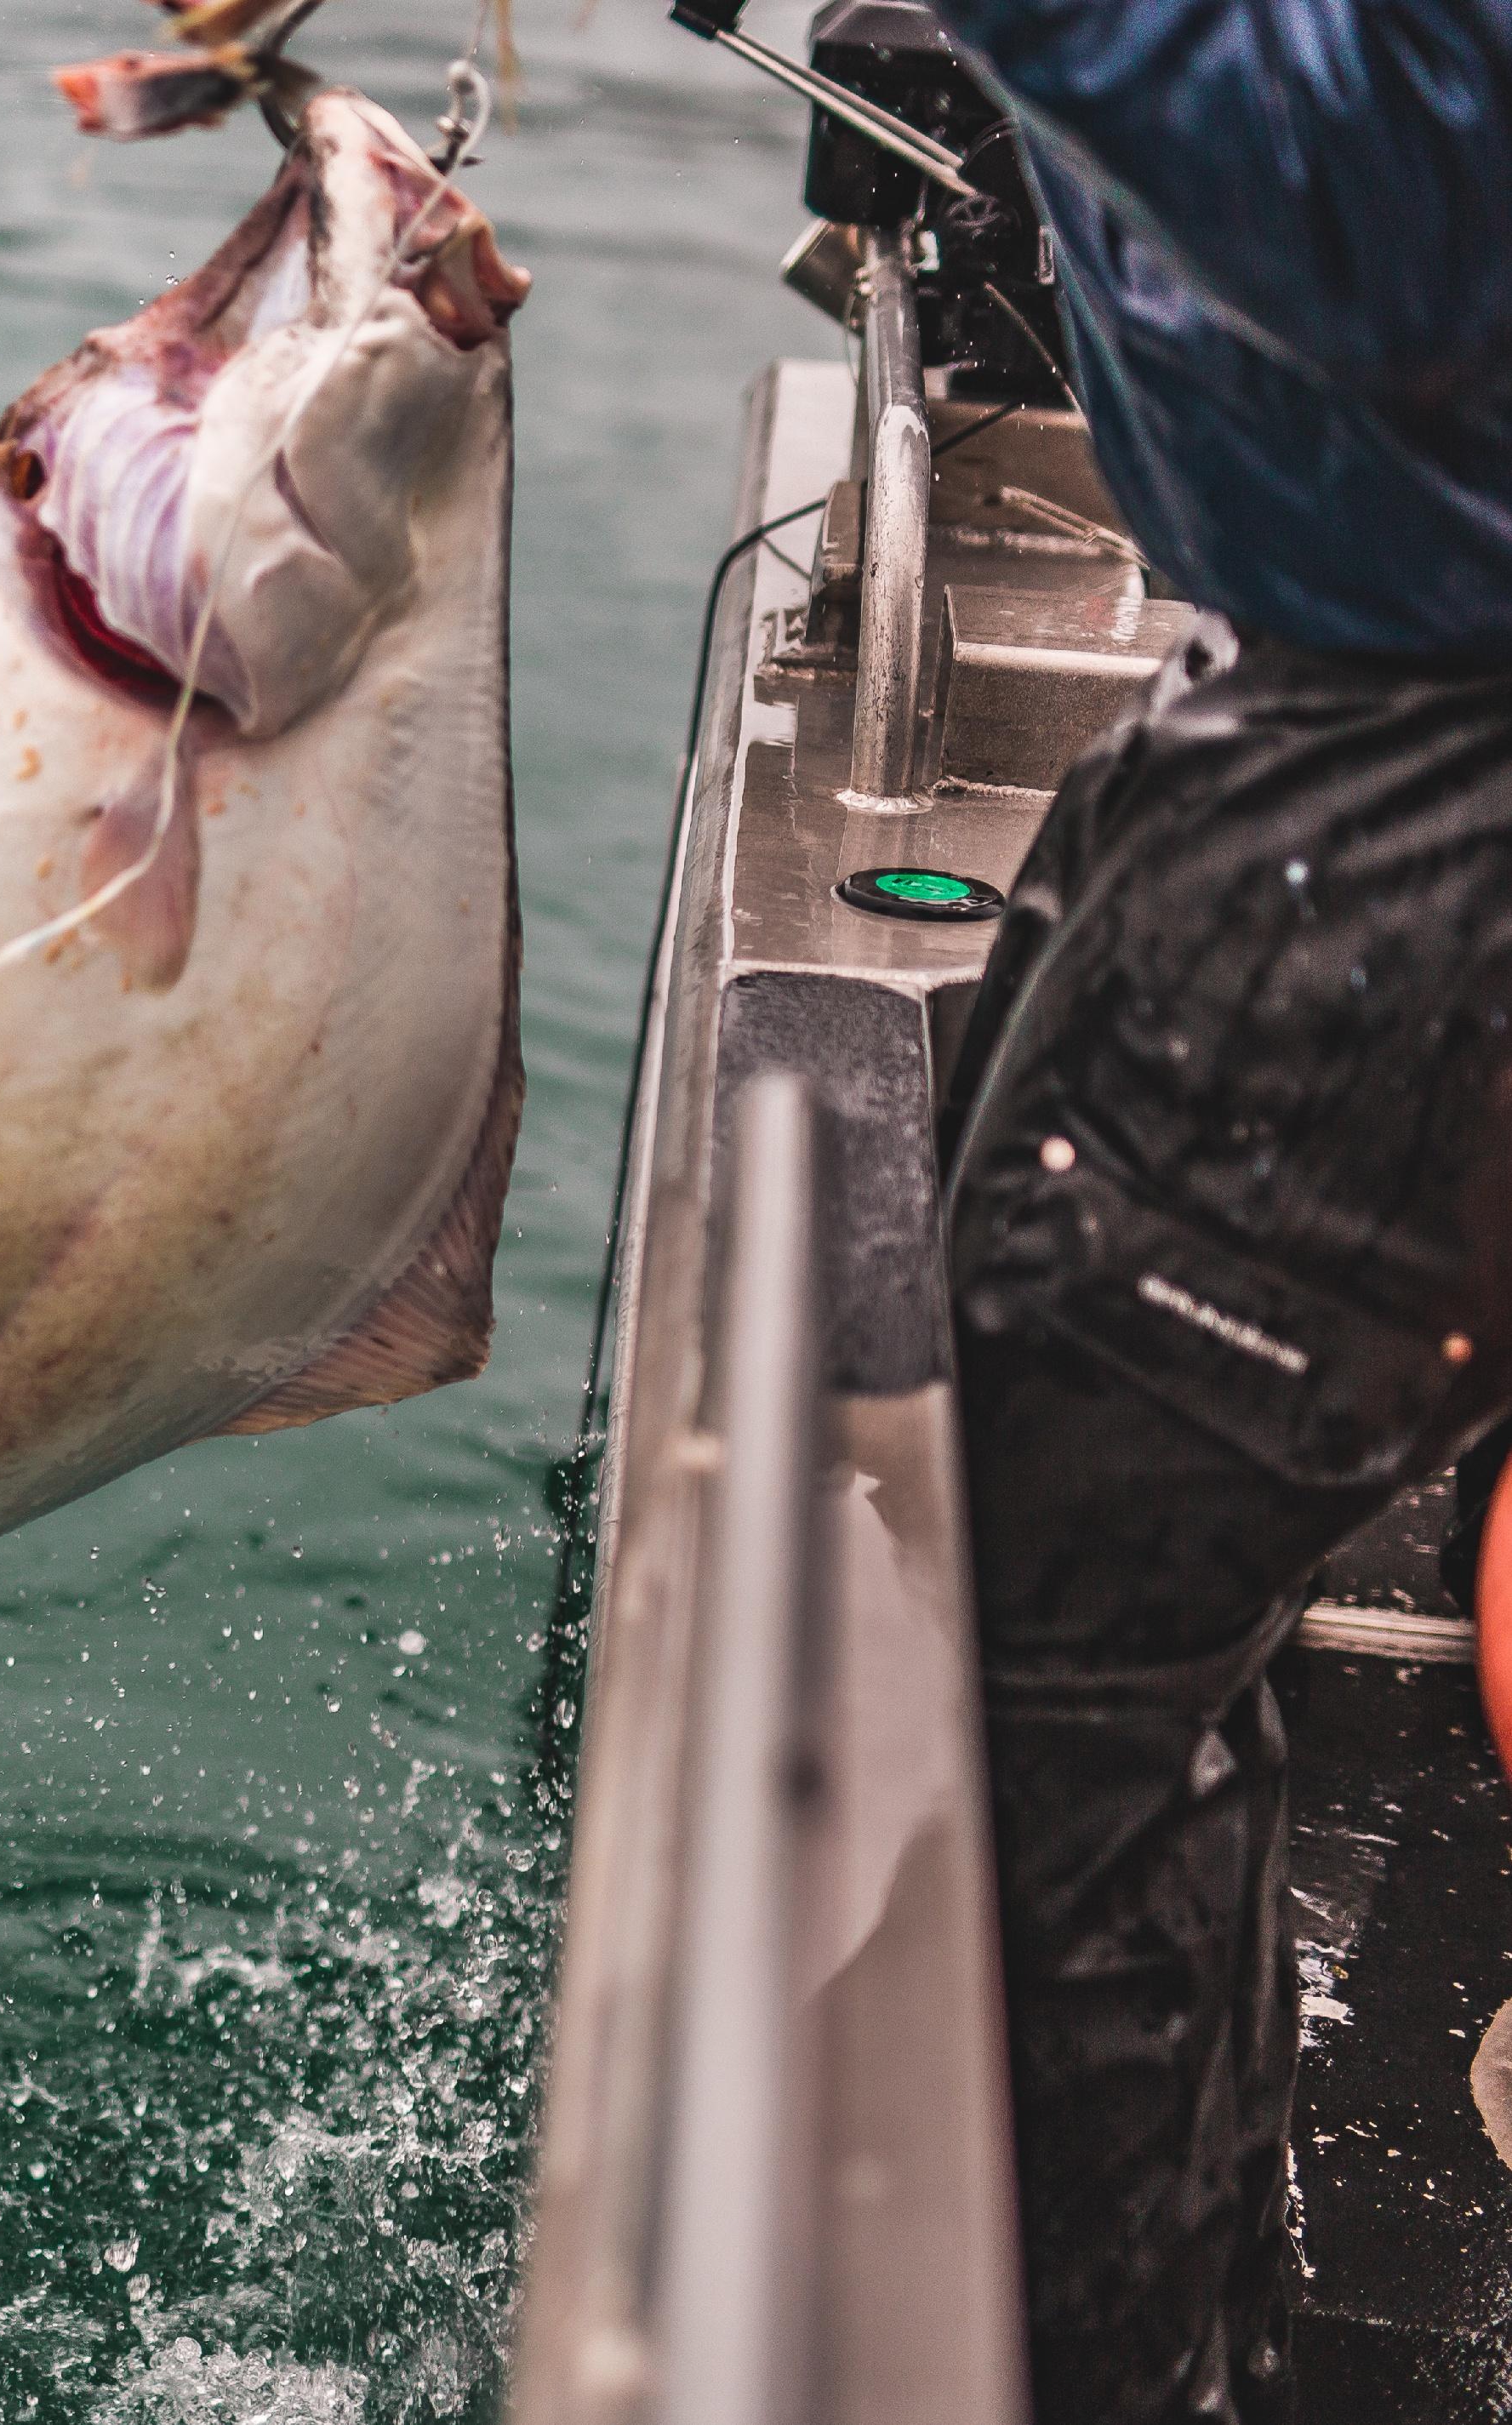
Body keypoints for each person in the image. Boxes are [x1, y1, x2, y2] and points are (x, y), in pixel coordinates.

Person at [912, 0, 1512, 2416]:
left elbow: (1405, 200)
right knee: (1094, 1646)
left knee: (1039, 1677)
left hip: (1422, 784)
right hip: (1325, 710)